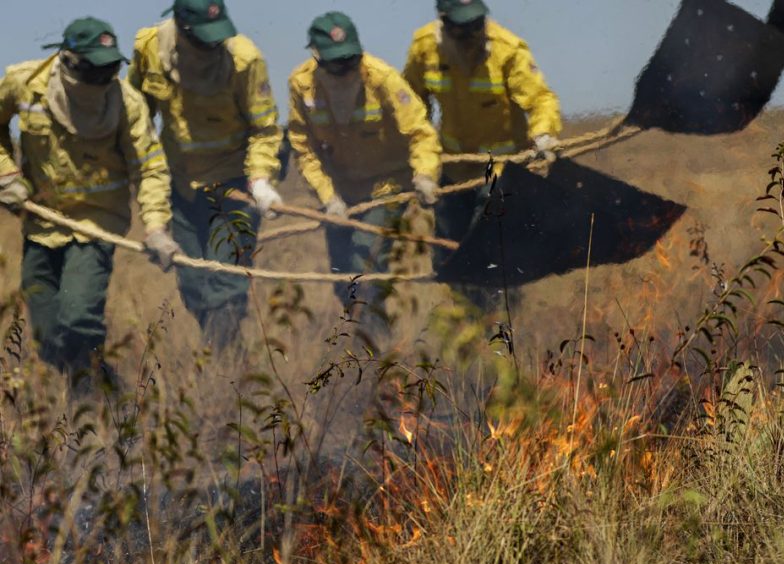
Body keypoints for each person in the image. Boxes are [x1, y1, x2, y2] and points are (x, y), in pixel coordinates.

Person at [0, 17, 179, 379]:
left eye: (109, 68)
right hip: (41, 225)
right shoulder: (24, 83)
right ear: (67, 60)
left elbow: (150, 169)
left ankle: (95, 411)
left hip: (96, 226)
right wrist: (5, 173)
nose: (101, 77)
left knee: (79, 322)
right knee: (48, 339)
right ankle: (107, 393)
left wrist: (157, 227)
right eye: (93, 68)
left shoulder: (127, 102)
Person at [129, 0, 283, 352]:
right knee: (197, 290)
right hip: (181, 187)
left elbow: (265, 129)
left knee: (226, 288)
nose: (212, 45)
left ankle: (225, 386)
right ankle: (232, 359)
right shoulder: (148, 47)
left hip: (233, 186)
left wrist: (259, 180)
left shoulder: (245, 59)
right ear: (181, 28)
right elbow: (136, 118)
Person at [404, 0, 563, 311]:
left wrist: (543, 133)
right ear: (443, 21)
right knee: (448, 258)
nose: (472, 32)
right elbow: (412, 112)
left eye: (477, 23)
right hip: (454, 173)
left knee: (486, 247)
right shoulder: (424, 47)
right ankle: (474, 321)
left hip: (501, 171)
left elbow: (540, 99)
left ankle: (501, 320)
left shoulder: (508, 49)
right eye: (462, 25)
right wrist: (422, 168)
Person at [287, 12, 442, 325]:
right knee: (342, 276)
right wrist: (329, 198)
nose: (346, 68)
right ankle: (368, 334)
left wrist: (425, 175)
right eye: (336, 62)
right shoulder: (301, 86)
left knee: (364, 261)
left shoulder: (382, 77)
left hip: (385, 186)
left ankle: (366, 349)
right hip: (339, 192)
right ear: (317, 57)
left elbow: (420, 132)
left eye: (350, 59)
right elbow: (304, 149)